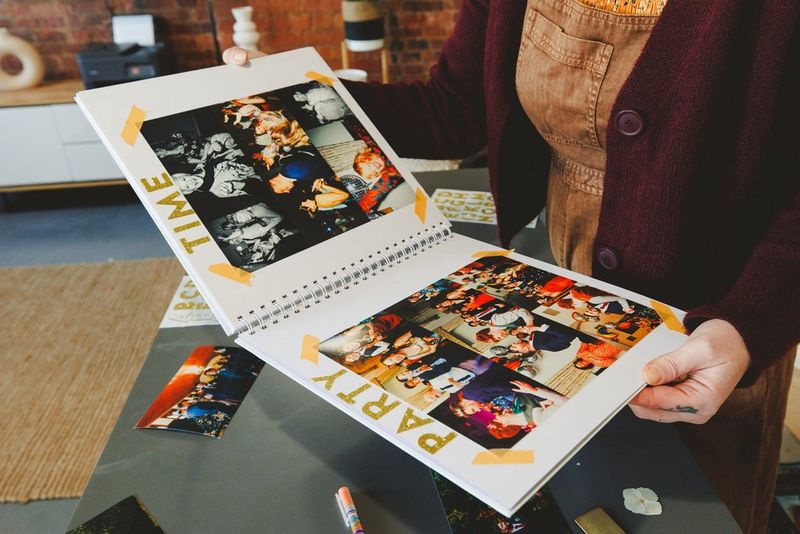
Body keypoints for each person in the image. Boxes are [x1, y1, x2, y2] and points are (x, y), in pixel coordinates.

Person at [224, 2, 800, 529]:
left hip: (724, 321)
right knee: (581, 495)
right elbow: (454, 106)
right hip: (565, 276)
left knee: (687, 513)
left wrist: (749, 321)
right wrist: (296, 94)